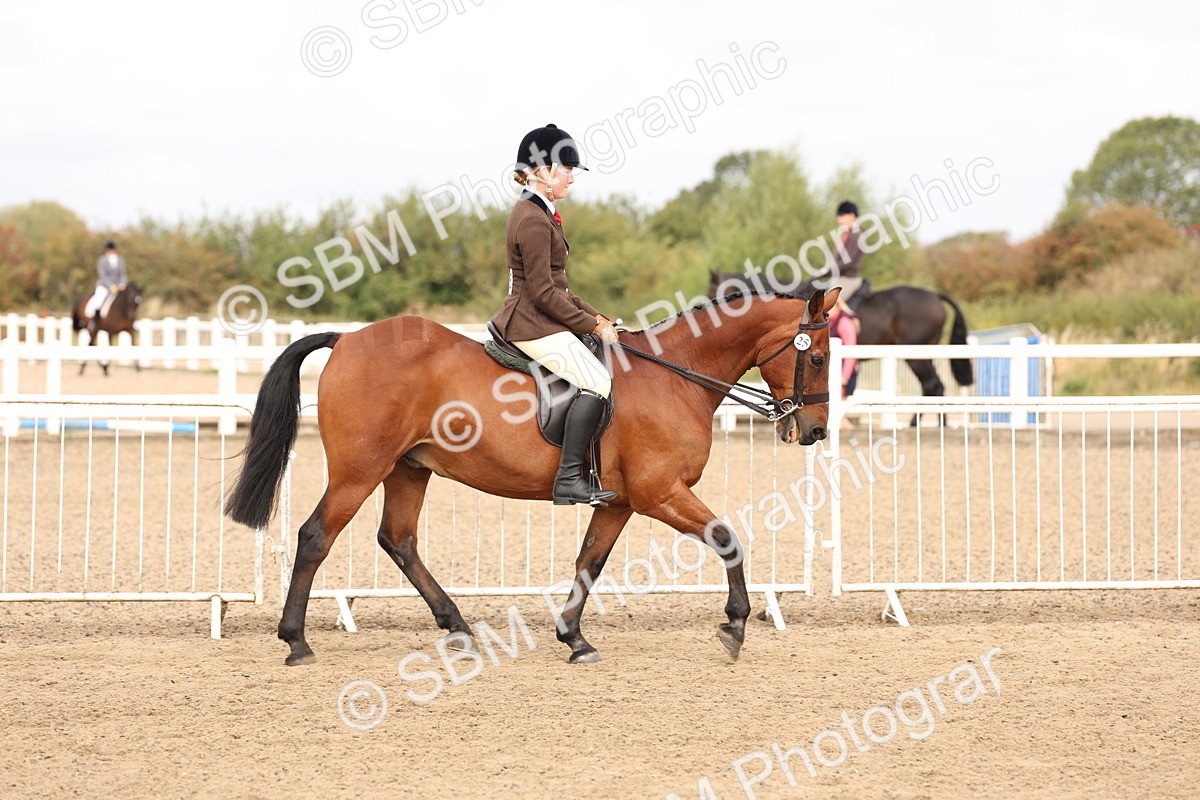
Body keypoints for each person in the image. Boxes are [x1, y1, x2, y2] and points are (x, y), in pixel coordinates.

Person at [490, 124, 619, 507]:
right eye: (566, 171)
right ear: (542, 171)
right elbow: (544, 295)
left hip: (539, 317)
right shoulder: (532, 219)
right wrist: (591, 325)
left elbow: (561, 288)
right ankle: (568, 480)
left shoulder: (540, 213)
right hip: (530, 324)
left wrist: (599, 318)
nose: (572, 179)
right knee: (597, 381)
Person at [816, 200, 866, 305]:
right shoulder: (846, 234)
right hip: (839, 278)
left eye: (842, 216)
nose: (838, 220)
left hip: (848, 279)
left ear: (851, 215)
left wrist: (827, 270)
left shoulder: (857, 235)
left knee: (826, 304)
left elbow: (848, 262)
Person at [85, 240, 127, 334]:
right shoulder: (102, 260)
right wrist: (110, 286)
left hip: (118, 287)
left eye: (113, 250)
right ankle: (94, 322)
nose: (111, 252)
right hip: (104, 286)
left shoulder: (120, 260)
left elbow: (123, 274)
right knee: (98, 300)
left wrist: (122, 284)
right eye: (110, 250)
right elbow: (102, 275)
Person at [828, 296, 860, 400]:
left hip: (844, 373)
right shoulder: (830, 322)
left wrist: (844, 377)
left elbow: (850, 351)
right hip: (834, 371)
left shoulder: (844, 323)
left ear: (837, 306)